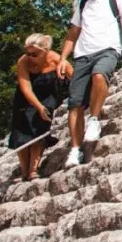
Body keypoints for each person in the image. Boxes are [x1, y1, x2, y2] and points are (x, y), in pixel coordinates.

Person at [56, 0, 122, 169]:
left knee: (99, 76)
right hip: (82, 55)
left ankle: (94, 119)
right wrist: (62, 58)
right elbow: (73, 33)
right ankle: (75, 149)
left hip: (108, 49)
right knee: (75, 104)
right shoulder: (84, 3)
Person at [11, 33, 72, 180]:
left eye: (34, 54)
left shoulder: (56, 59)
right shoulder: (23, 62)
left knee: (40, 128)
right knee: (22, 133)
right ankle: (24, 171)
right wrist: (37, 106)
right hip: (25, 99)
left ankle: (33, 169)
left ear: (45, 50)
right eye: (28, 53)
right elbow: (26, 88)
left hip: (48, 96)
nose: (30, 56)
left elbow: (74, 76)